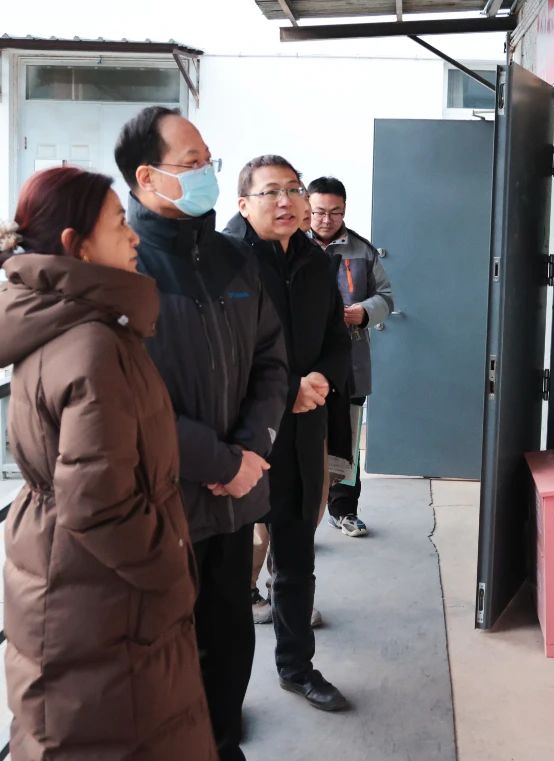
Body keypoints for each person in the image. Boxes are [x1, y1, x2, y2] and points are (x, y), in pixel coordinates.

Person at [0, 166, 217, 761]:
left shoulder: (69, 326)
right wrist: (172, 569)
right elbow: (98, 506)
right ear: (76, 245)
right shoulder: (93, 345)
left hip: (75, 586)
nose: (133, 235)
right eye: (117, 224)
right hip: (109, 607)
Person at [115, 106, 288, 761]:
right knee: (162, 659)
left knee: (231, 645)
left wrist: (251, 451)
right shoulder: (125, 268)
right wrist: (222, 461)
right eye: (191, 163)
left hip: (233, 503)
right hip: (162, 507)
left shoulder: (232, 258)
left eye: (208, 161)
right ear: (146, 176)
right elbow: (132, 401)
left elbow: (272, 360)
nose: (206, 173)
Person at [224, 155, 352, 712]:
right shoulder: (224, 262)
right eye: (271, 191)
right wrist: (285, 391)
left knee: (297, 561)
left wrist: (321, 378)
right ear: (243, 203)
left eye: (293, 190)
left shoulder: (315, 261)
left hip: (302, 434)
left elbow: (337, 338)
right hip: (242, 439)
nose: (286, 201)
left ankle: (297, 668)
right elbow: (219, 358)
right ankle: (224, 697)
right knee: (228, 575)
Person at [308, 176, 395, 538]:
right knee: (303, 442)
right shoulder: (291, 246)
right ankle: (300, 521)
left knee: (347, 442)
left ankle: (344, 510)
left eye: (335, 212)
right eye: (318, 212)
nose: (326, 220)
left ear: (345, 210)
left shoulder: (362, 250)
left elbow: (386, 297)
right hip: (305, 363)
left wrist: (364, 311)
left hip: (350, 362)